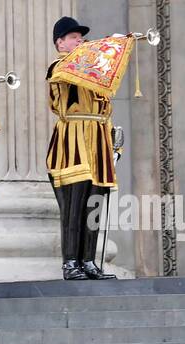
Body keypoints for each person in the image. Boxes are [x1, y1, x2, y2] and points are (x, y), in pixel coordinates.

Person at [46, 16, 117, 281]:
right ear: (60, 43)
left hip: (97, 140)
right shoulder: (60, 66)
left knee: (94, 205)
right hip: (72, 141)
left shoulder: (94, 72)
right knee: (73, 207)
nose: (80, 40)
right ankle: (70, 262)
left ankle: (88, 259)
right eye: (74, 37)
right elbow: (66, 80)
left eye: (80, 37)